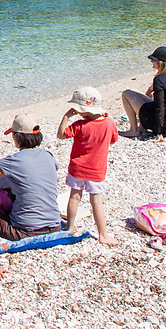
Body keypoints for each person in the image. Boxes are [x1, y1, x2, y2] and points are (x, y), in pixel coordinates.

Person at [0, 115, 61, 241]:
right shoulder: (48, 156)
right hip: (55, 224)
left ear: (17, 137)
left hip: (25, 230)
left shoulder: (13, 161)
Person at [56, 86, 120, 245]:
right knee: (97, 202)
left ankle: (70, 227)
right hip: (97, 170)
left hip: (77, 168)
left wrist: (65, 117)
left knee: (74, 197)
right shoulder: (109, 123)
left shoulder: (79, 125)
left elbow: (61, 135)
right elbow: (113, 139)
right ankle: (103, 235)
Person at [120, 46, 166, 139]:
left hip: (159, 123)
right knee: (134, 92)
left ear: (160, 62)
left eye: (153, 60)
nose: (151, 62)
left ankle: (134, 130)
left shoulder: (159, 79)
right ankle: (142, 128)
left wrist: (158, 133)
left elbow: (159, 106)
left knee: (126, 93)